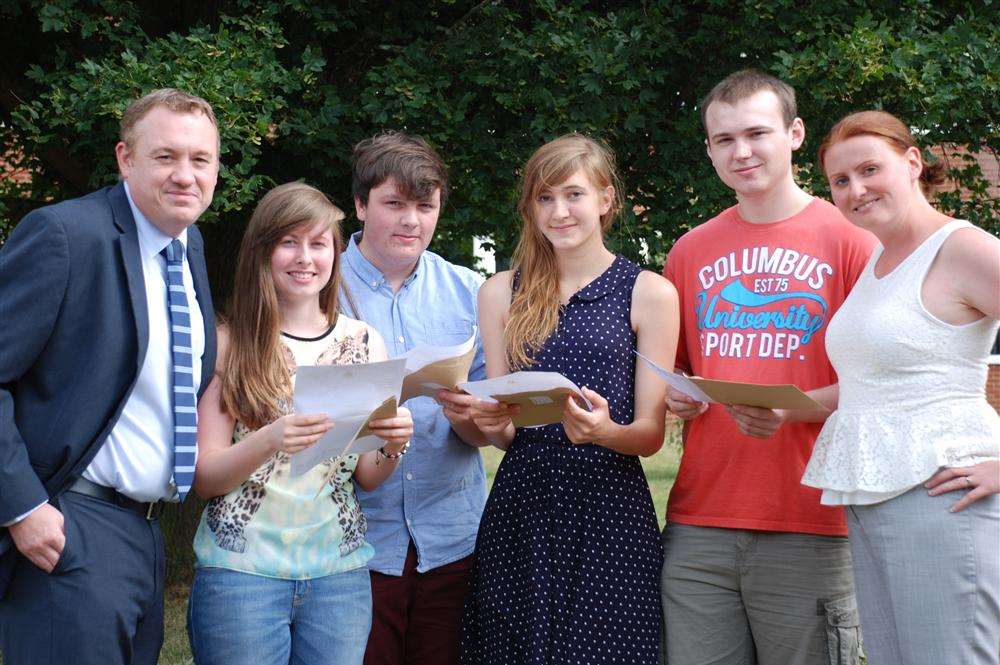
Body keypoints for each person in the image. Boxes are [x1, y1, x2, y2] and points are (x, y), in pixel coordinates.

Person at [659, 70, 876, 665]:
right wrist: (676, 397)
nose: (742, 151)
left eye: (757, 132)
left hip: (812, 517)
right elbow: (675, 371)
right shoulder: (689, 249)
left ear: (796, 134)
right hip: (700, 519)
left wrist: (794, 408)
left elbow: (884, 381)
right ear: (708, 150)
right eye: (724, 139)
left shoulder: (852, 239)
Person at [0, 88, 219, 664]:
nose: (185, 175)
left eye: (201, 160)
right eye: (165, 156)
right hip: (71, 525)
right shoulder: (65, 236)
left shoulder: (187, 245)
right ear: (125, 158)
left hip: (146, 535)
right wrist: (22, 507)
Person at [461, 133, 679, 664]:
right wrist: (491, 424)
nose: (559, 211)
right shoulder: (500, 292)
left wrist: (605, 432)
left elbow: (651, 435)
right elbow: (509, 426)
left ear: (606, 200)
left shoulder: (649, 292)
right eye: (545, 198)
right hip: (523, 508)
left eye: (574, 195)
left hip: (609, 511)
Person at [801, 110, 1000, 665]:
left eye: (870, 169)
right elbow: (874, 384)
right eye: (840, 181)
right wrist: (781, 408)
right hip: (872, 497)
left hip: (940, 493)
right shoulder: (880, 261)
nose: (856, 189)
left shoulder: (962, 247)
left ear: (912, 162)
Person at [186, 181, 414, 665]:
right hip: (242, 574)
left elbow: (368, 477)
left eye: (318, 243)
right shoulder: (230, 342)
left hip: (339, 576)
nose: (304, 258)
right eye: (289, 242)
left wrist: (394, 444)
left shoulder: (364, 342)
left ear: (335, 252)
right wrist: (271, 437)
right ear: (263, 252)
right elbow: (207, 477)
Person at [338, 131, 488, 665]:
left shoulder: (470, 292)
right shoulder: (318, 288)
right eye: (394, 204)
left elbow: (492, 428)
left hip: (452, 539)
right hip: (350, 543)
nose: (410, 221)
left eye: (425, 206)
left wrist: (475, 415)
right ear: (360, 204)